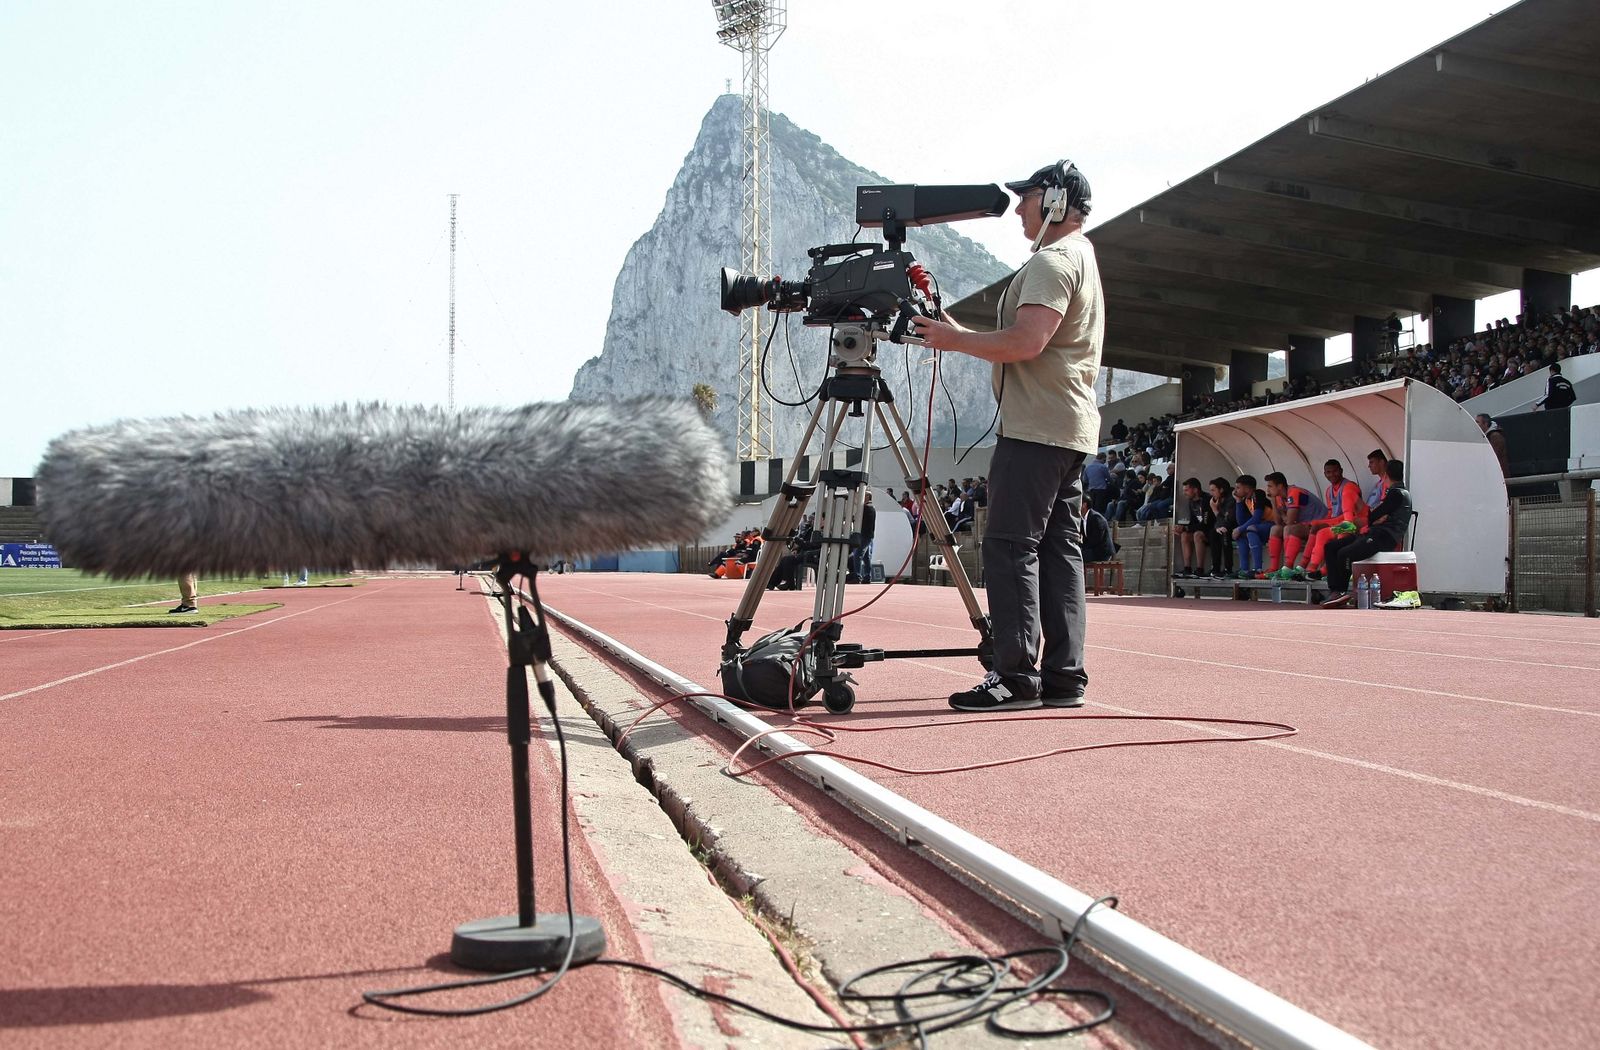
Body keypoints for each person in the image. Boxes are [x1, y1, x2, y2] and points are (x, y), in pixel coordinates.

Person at [908, 158, 1101, 711]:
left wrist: (953, 340)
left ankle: (1014, 676)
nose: (1018, 208)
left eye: (1027, 197)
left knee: (1010, 546)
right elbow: (1030, 340)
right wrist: (955, 330)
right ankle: (1064, 678)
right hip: (1067, 427)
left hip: (1037, 428)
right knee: (1059, 551)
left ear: (1056, 201)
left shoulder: (1052, 261)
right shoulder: (1081, 255)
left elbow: (1026, 342)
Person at [1321, 459, 1413, 608]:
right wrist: (1376, 518)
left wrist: (1376, 518)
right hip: (1372, 533)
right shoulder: (1394, 493)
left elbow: (1373, 515)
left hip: (1383, 537)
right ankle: (1334, 590)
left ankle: (1341, 590)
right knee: (1330, 547)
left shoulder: (1397, 493)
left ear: (1386, 475)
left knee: (1345, 554)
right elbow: (1375, 517)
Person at [1294, 459, 1366, 579]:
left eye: (1335, 471)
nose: (1332, 474)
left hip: (1357, 522)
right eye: (1328, 472)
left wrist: (1323, 523)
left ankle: (1325, 571)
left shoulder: (1349, 487)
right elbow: (1331, 513)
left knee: (1339, 531)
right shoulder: (1329, 491)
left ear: (1341, 471)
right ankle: (1310, 569)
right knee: (1320, 530)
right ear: (1324, 474)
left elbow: (1350, 519)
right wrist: (1322, 523)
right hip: (1343, 522)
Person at [1262, 471, 1327, 576]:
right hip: (1306, 525)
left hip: (1321, 524)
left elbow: (1289, 521)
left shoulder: (1294, 492)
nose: (1268, 490)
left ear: (1280, 486)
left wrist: (1283, 515)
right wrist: (1273, 502)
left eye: (1270, 486)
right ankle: (1273, 568)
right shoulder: (1278, 496)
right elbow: (1278, 522)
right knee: (1275, 529)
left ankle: (1287, 566)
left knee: (1289, 529)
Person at [1231, 474, 1273, 578]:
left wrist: (1239, 529)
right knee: (1241, 535)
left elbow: (1257, 518)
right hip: (1261, 527)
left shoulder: (1258, 494)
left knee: (1250, 530)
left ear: (1247, 488)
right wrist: (1238, 501)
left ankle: (1257, 569)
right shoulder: (1246, 500)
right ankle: (1244, 569)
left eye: (1238, 487)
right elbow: (1241, 521)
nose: (1235, 491)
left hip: (1272, 524)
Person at [1173, 477, 1211, 578]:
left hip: (1211, 532)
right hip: (1201, 530)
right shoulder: (1191, 502)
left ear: (1195, 490)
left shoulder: (1206, 500)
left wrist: (1187, 528)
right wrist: (1182, 528)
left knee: (1197, 535)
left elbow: (1206, 524)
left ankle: (1200, 569)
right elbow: (1193, 522)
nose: (1184, 493)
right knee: (1184, 535)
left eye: (1186, 490)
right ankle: (1187, 568)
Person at [1207, 478, 1235, 577]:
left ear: (1221, 489)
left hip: (1234, 526)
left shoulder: (1231, 499)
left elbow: (1229, 518)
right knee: (1213, 533)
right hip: (1225, 525)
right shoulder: (1218, 500)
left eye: (1213, 490)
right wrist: (1217, 527)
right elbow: (1219, 519)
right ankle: (1215, 567)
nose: (1211, 493)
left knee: (1224, 532)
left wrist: (1215, 510)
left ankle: (1228, 568)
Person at [848, 491, 876, 583]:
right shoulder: (871, 508)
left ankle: (858, 576)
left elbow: (859, 519)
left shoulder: (865, 508)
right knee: (866, 557)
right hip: (868, 535)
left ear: (867, 497)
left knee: (857, 555)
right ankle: (867, 576)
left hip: (865, 535)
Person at [1081, 497, 1117, 563]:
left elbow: (1097, 539)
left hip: (1102, 552)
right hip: (1092, 549)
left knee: (1076, 556)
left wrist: (1083, 548)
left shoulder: (1096, 517)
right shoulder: (1083, 519)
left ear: (1084, 505)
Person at [1476, 413, 1510, 478]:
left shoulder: (1495, 436)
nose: (1475, 424)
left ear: (1485, 424)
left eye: (1477, 422)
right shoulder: (1488, 436)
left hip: (1498, 475)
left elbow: (1493, 456)